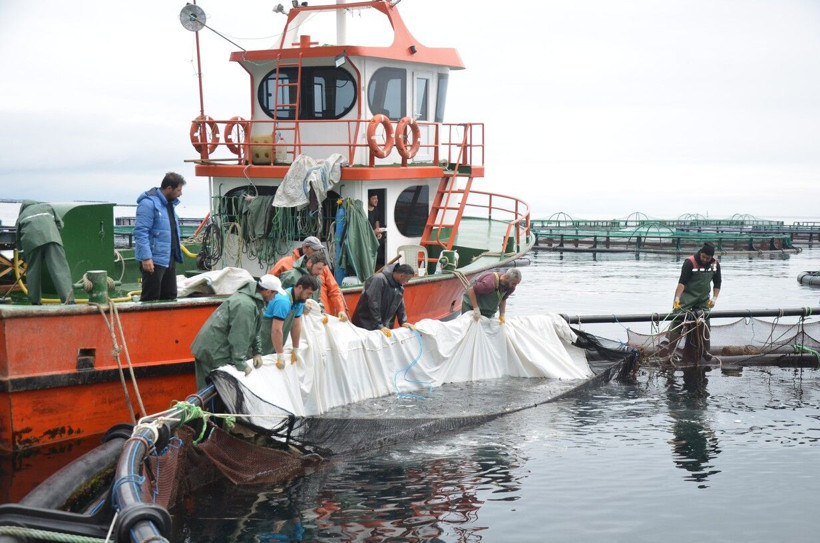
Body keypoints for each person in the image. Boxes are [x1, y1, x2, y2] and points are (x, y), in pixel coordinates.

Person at [190, 274, 283, 389]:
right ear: (268, 291)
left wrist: (257, 352)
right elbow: (239, 337)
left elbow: (255, 330)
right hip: (211, 351)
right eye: (275, 293)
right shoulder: (245, 306)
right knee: (209, 394)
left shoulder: (255, 302)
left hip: (217, 349)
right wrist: (241, 365)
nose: (275, 297)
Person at [661, 242, 722, 362]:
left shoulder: (715, 264)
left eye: (707, 258)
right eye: (703, 257)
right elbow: (682, 282)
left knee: (705, 322)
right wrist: (677, 299)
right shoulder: (689, 262)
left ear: (711, 257)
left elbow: (717, 283)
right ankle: (670, 351)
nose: (704, 260)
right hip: (686, 299)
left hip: (703, 300)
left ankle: (705, 351)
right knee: (678, 320)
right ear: (700, 253)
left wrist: (714, 298)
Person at [134, 172, 186, 301]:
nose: (180, 194)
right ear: (169, 188)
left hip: (169, 257)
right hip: (154, 259)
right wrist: (146, 258)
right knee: (151, 297)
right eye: (178, 190)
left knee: (169, 295)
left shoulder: (169, 204)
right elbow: (141, 232)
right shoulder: (148, 203)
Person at [269, 236, 348, 321]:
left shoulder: (321, 267)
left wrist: (340, 310)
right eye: (314, 250)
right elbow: (270, 287)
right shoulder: (287, 266)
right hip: (292, 318)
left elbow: (334, 290)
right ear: (304, 248)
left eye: (318, 250)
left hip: (317, 317)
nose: (317, 252)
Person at [15, 200, 74, 304]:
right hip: (52, 238)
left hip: (31, 243)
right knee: (60, 269)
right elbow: (60, 224)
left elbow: (18, 239)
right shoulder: (47, 207)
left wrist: (24, 254)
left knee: (33, 271)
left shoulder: (22, 216)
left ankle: (35, 301)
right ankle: (69, 300)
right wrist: (54, 236)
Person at [264, 274, 319, 369]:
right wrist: (280, 355)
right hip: (264, 339)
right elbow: (276, 330)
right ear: (300, 287)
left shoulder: (299, 301)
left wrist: (295, 349)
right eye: (308, 293)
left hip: (274, 344)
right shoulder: (283, 301)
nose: (309, 297)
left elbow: (296, 326)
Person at [352, 263, 415, 335]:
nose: (407, 282)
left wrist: (403, 322)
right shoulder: (378, 279)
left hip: (381, 324)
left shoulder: (399, 286)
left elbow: (400, 304)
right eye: (407, 279)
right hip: (365, 324)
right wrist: (379, 325)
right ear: (401, 276)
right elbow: (373, 303)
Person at [367, 193, 385, 268]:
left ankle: (379, 265)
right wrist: (373, 233)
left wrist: (378, 232)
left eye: (377, 198)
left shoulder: (376, 210)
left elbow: (376, 221)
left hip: (374, 234)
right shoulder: (364, 211)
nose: (376, 200)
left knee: (381, 242)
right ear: (368, 200)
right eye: (374, 198)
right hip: (367, 236)